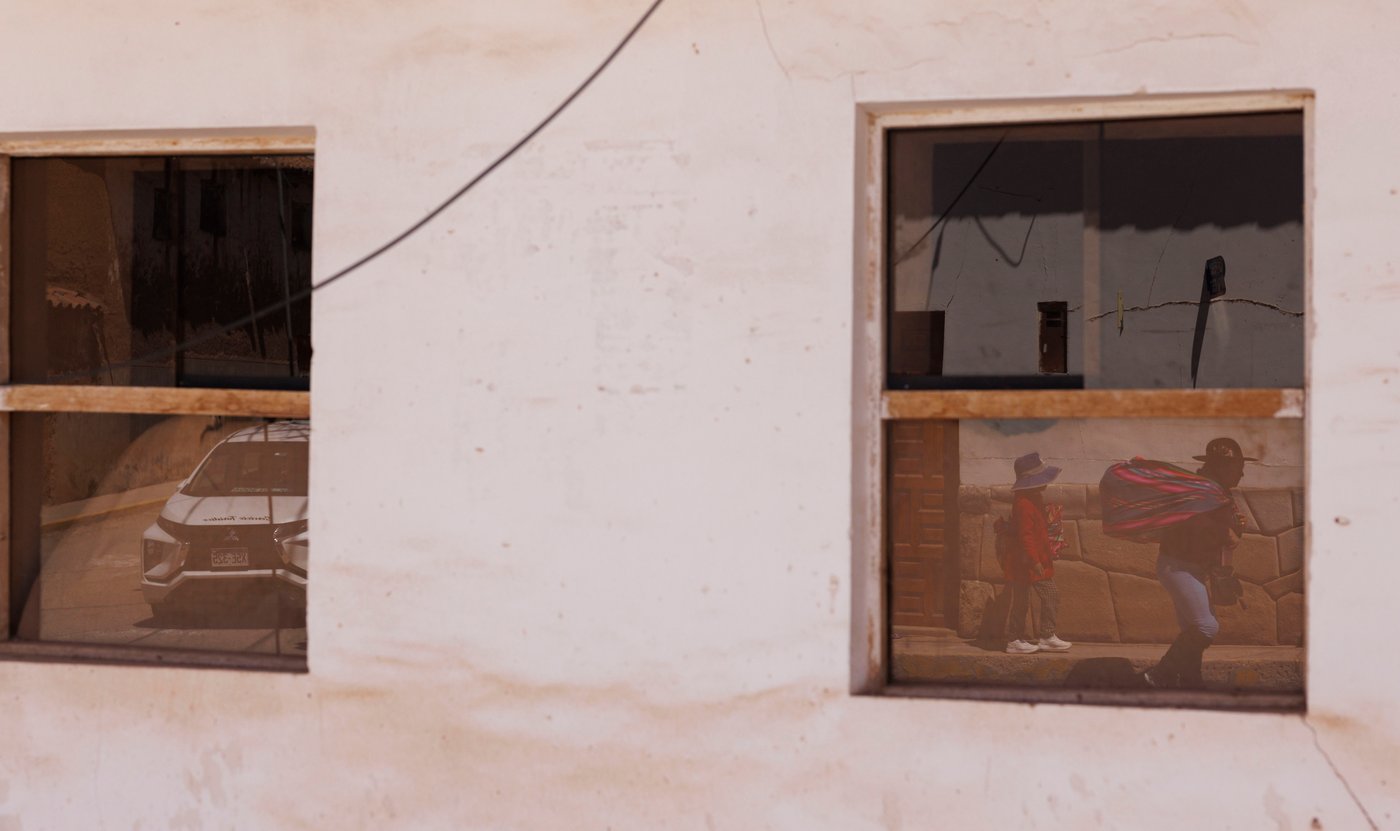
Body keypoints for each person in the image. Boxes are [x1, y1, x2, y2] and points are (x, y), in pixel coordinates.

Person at [1142, 437, 1252, 688]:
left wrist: (1232, 531)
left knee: (1193, 629)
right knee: (1206, 627)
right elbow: (1196, 524)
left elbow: (1221, 530)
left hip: (1190, 568)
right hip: (1178, 567)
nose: (1242, 473)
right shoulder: (1199, 491)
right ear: (1222, 467)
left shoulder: (1214, 491)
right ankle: (1158, 675)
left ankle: (1191, 682)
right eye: (1238, 467)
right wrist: (1226, 531)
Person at [1004, 452, 1073, 655]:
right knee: (1050, 595)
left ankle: (1016, 639)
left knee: (1021, 601)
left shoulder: (1032, 499)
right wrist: (1035, 561)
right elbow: (1026, 536)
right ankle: (1045, 636)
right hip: (1028, 562)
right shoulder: (1024, 504)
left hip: (1026, 561)